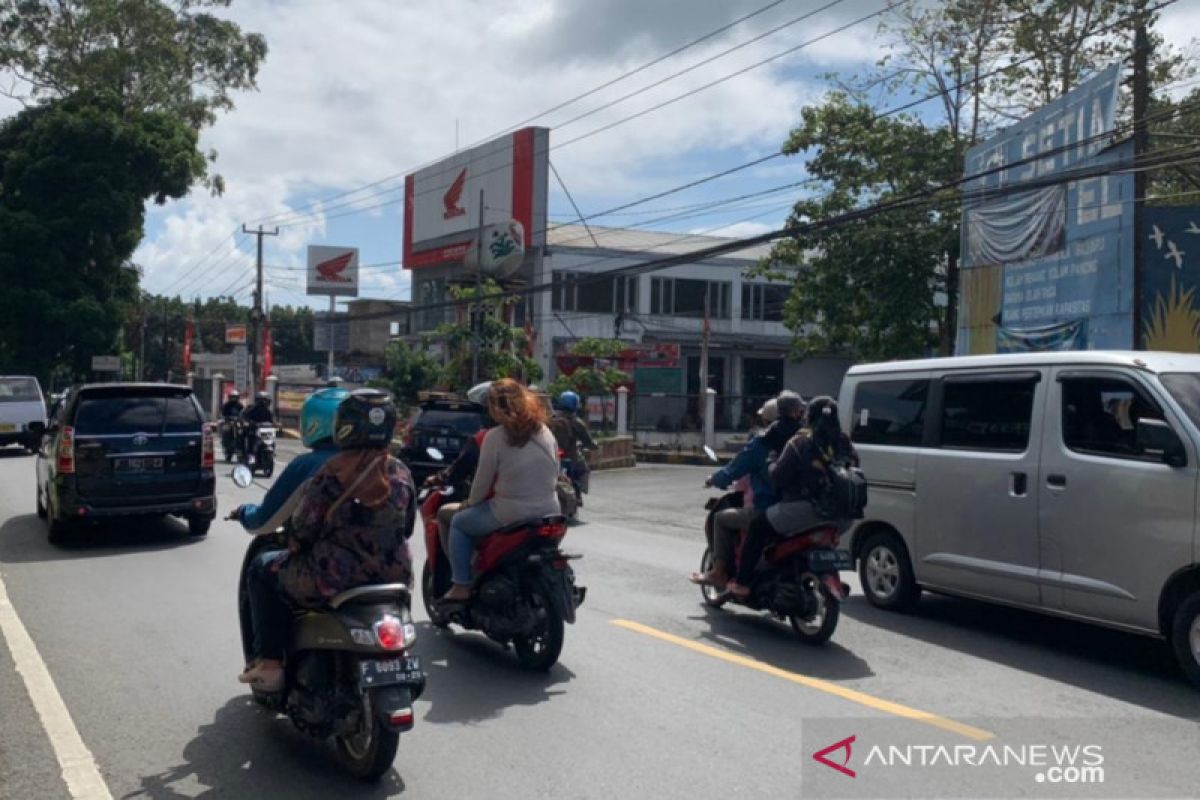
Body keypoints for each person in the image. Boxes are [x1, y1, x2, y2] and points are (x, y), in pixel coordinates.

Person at [236, 388, 415, 692]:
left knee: (262, 569)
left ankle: (270, 664)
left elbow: (304, 528)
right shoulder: (401, 472)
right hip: (394, 576)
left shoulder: (330, 473)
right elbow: (408, 526)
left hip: (331, 576)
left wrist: (294, 542)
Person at [440, 379, 560, 603]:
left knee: (457, 522)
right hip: (549, 511)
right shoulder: (544, 431)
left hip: (510, 513)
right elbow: (556, 470)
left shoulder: (494, 437)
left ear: (495, 407)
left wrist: (468, 504)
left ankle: (461, 585)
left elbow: (481, 485)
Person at [727, 396, 858, 599]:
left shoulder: (800, 442)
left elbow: (779, 477)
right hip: (843, 517)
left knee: (759, 526)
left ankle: (743, 582)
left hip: (807, 510)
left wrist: (771, 461)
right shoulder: (845, 442)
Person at [690, 392, 805, 591]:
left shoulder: (763, 442)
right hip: (803, 508)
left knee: (721, 519)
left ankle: (719, 572)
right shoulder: (805, 439)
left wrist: (714, 480)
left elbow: (735, 469)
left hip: (768, 509)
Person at [425, 382, 495, 555]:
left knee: (445, 515)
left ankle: (459, 576)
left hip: (498, 507)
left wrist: (438, 478)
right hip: (543, 511)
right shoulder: (533, 434)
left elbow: (460, 470)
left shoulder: (487, 438)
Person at [240, 391, 275, 458]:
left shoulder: (268, 412)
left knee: (271, 440)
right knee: (248, 437)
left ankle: (271, 451)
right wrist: (247, 423)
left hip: (265, 431)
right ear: (258, 401)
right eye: (262, 401)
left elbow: (271, 421)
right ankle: (249, 453)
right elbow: (245, 418)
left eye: (266, 401)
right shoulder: (251, 410)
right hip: (253, 430)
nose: (264, 403)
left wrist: (276, 424)